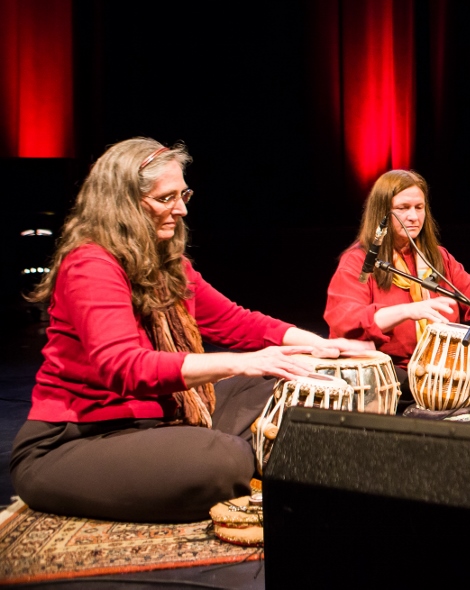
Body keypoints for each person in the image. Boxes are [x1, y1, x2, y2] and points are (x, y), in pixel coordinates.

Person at [10, 138, 368, 523]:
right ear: (123, 203)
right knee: (223, 460)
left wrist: (323, 346)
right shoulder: (91, 265)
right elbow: (126, 368)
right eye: (166, 198)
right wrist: (241, 363)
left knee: (287, 387)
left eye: (183, 195)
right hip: (77, 440)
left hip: (159, 419)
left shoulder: (166, 263)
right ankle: (230, 459)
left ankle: (229, 453)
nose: (180, 209)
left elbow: (234, 320)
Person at [324, 169, 470, 406]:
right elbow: (345, 319)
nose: (413, 216)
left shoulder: (435, 257)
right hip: (390, 373)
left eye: (419, 207)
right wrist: (409, 310)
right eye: (403, 208)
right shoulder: (359, 262)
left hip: (443, 367)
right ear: (382, 213)